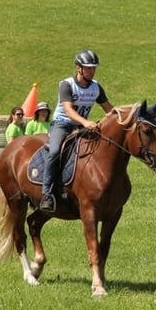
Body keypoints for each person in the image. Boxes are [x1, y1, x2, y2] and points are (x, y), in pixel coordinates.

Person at [40, 50, 114, 212]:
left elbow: (109, 109)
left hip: (82, 126)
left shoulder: (96, 87)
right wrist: (85, 122)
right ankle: (46, 193)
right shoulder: (66, 85)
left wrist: (122, 118)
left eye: (94, 68)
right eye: (88, 68)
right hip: (62, 124)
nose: (92, 71)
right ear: (78, 68)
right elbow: (68, 110)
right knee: (54, 151)